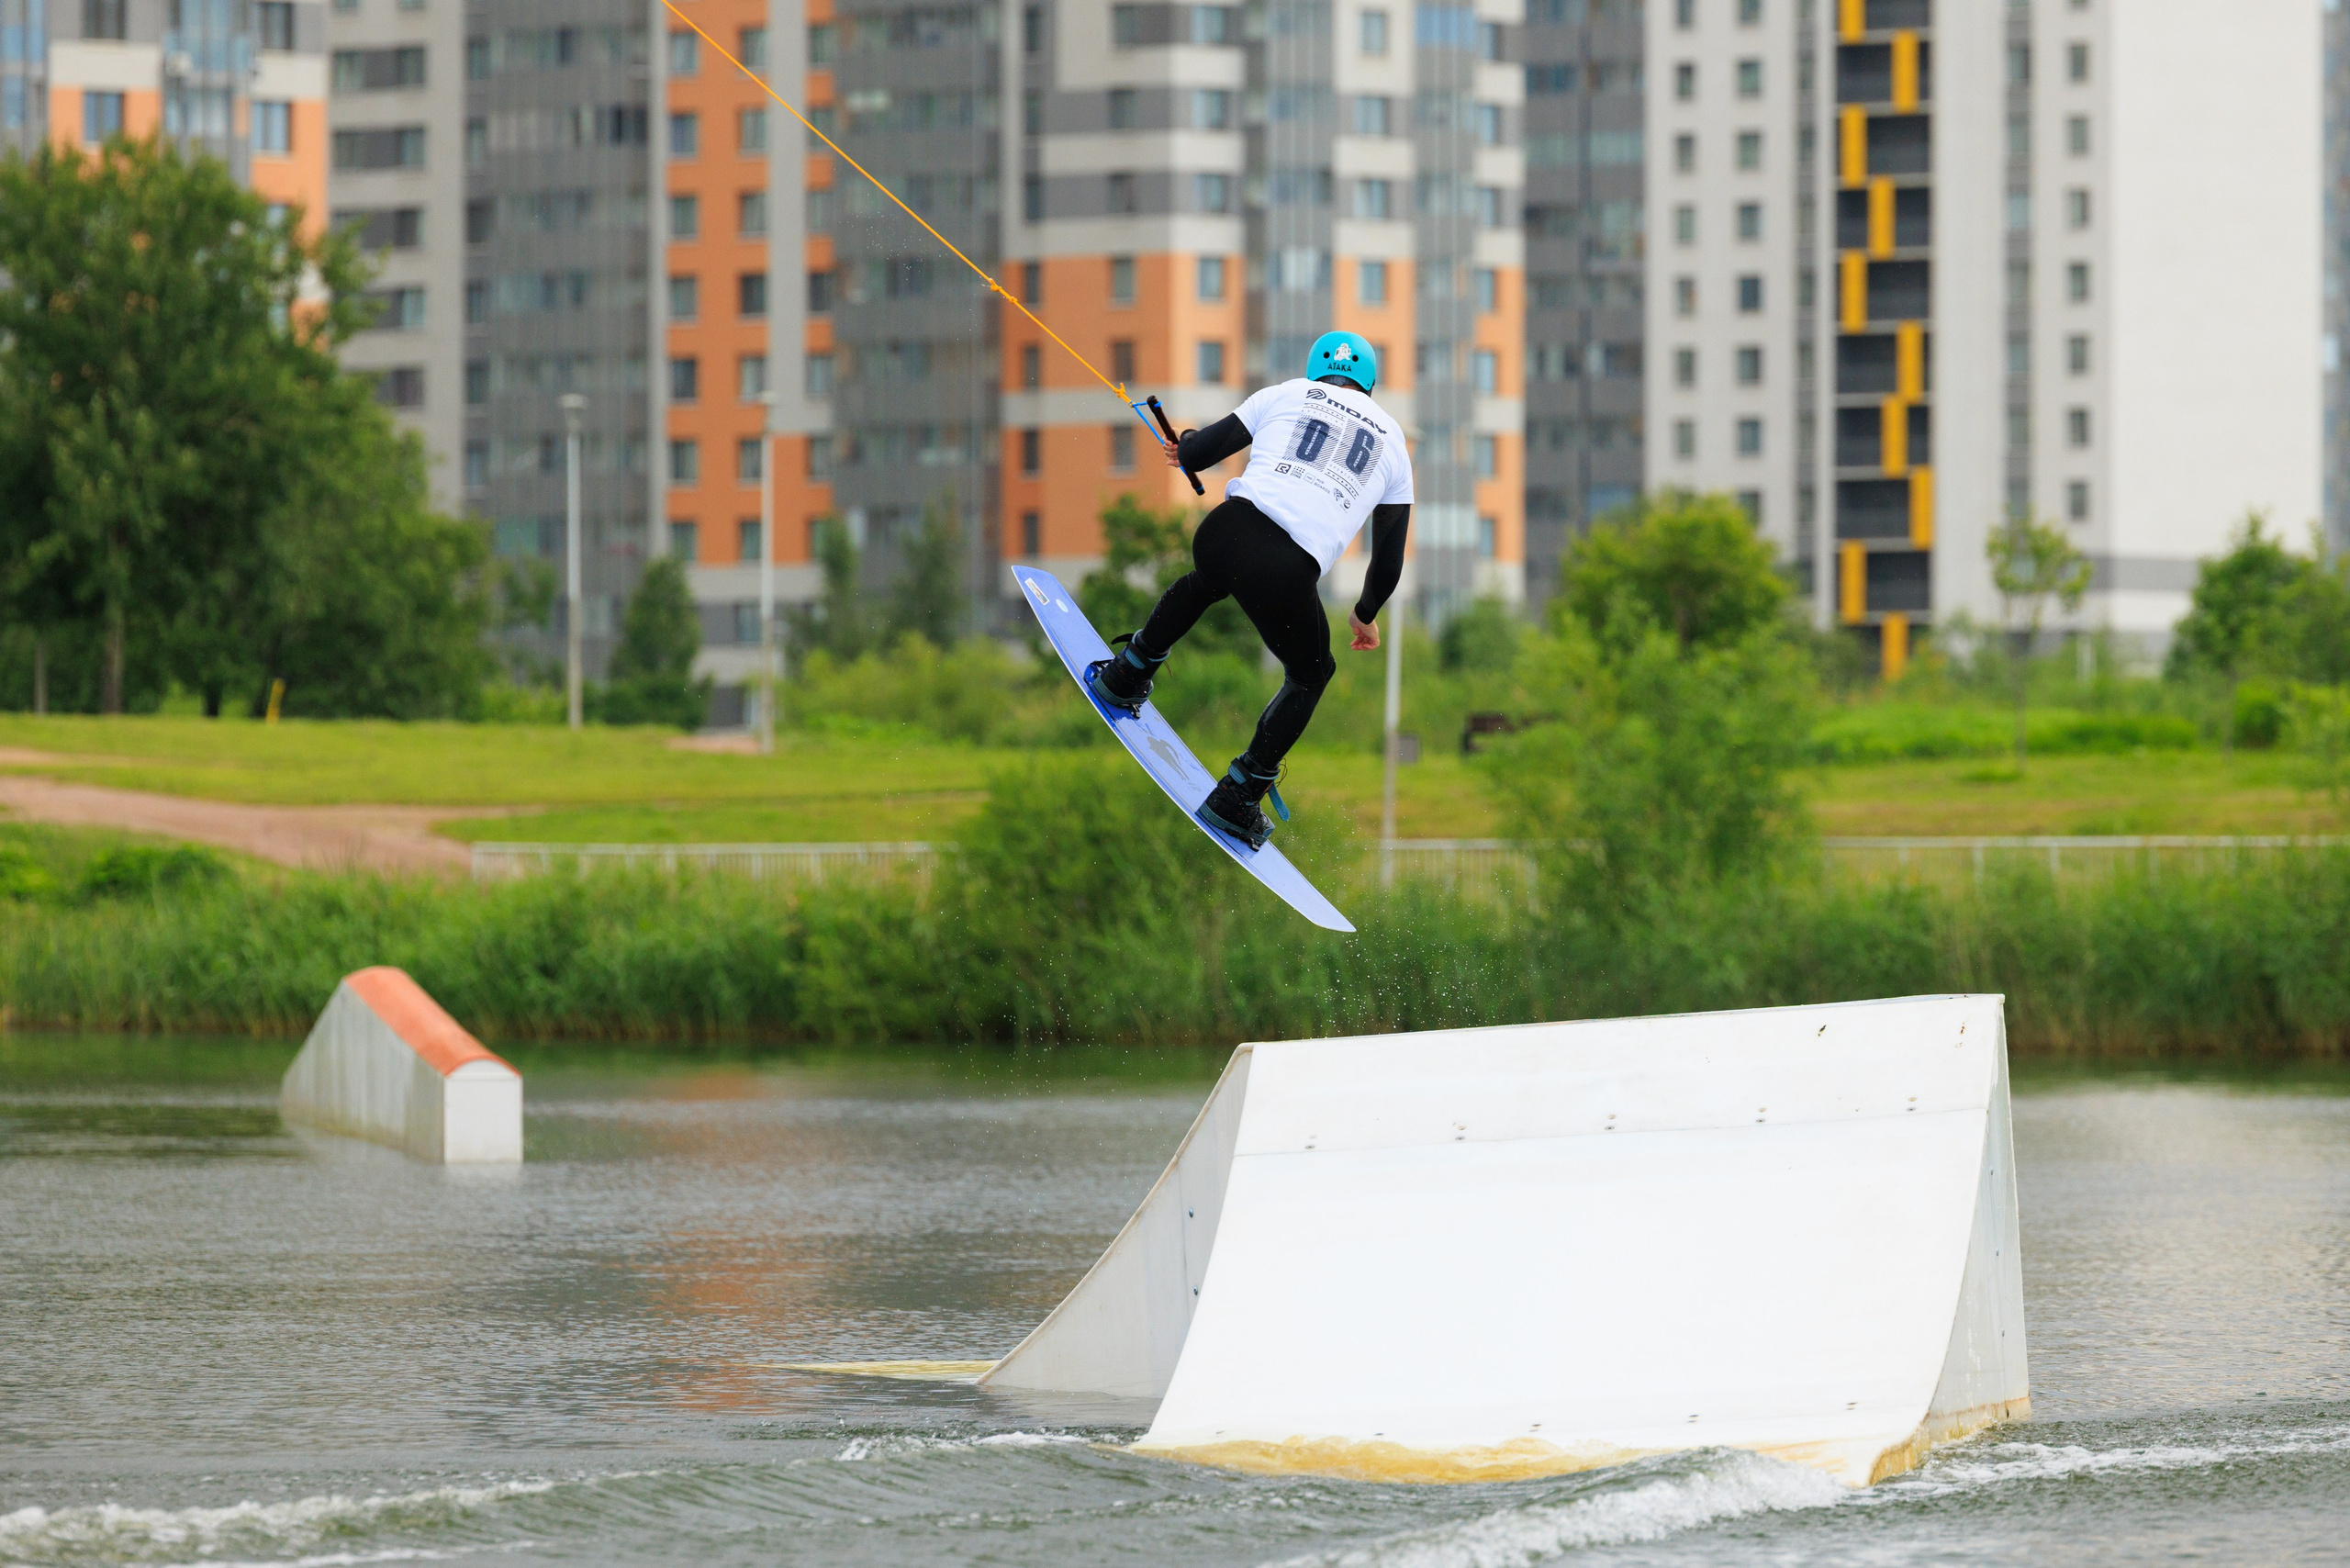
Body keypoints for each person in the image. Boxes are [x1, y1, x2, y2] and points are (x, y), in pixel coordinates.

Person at [1087, 330, 1414, 848]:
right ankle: (1239, 793)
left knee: (1205, 581)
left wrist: (1186, 445)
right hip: (1287, 567)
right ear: (1369, 385)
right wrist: (1365, 611)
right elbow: (1389, 557)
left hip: (1224, 531)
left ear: (1315, 370)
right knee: (1312, 673)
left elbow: (1201, 450)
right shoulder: (1394, 442)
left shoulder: (1286, 393)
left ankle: (1129, 672)